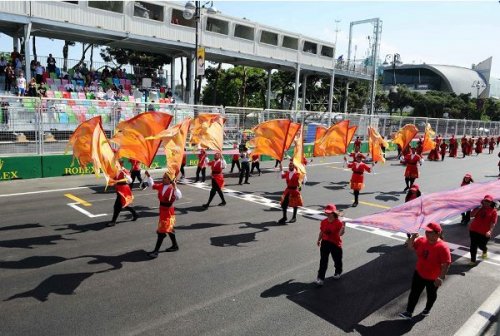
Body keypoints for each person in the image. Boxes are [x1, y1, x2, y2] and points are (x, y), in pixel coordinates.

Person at [399, 222, 451, 320]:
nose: (427, 233)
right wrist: (413, 237)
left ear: (438, 233)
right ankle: (409, 312)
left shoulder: (443, 247)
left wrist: (440, 277)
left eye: (430, 232)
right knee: (414, 293)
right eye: (427, 231)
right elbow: (410, 247)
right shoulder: (422, 240)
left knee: (431, 294)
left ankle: (427, 309)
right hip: (419, 273)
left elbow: (446, 264)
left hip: (433, 277)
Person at [146, 172, 182, 258]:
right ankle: (175, 246)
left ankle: (156, 251)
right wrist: (149, 176)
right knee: (169, 229)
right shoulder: (161, 186)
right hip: (162, 210)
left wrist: (175, 187)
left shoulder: (172, 188)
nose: (163, 178)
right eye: (163, 177)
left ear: (170, 180)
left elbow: (179, 197)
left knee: (161, 232)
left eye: (165, 177)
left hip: (168, 212)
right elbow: (153, 185)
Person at [314, 203, 345, 286]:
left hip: (335, 244)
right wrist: (319, 240)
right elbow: (322, 231)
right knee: (323, 261)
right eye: (327, 213)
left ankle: (338, 272)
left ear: (334, 213)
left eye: (330, 213)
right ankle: (320, 278)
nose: (328, 214)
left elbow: (340, 234)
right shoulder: (324, 222)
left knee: (337, 260)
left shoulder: (338, 223)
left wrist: (343, 228)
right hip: (325, 243)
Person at [108, 160, 139, 227]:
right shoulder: (116, 170)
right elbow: (114, 179)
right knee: (124, 204)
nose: (116, 165)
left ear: (121, 164)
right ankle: (135, 214)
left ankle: (113, 221)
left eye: (117, 164)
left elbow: (130, 181)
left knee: (117, 206)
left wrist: (126, 176)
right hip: (119, 189)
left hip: (123, 189)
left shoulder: (124, 171)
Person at [468, 195, 497, 265]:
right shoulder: (478, 208)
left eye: (488, 201)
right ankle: (473, 260)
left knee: (481, 246)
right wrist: (479, 208)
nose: (486, 202)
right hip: (473, 230)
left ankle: (485, 250)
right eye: (485, 201)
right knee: (473, 245)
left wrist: (490, 231)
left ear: (491, 203)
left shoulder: (493, 211)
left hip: (484, 233)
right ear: (483, 201)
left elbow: (493, 223)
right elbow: (471, 215)